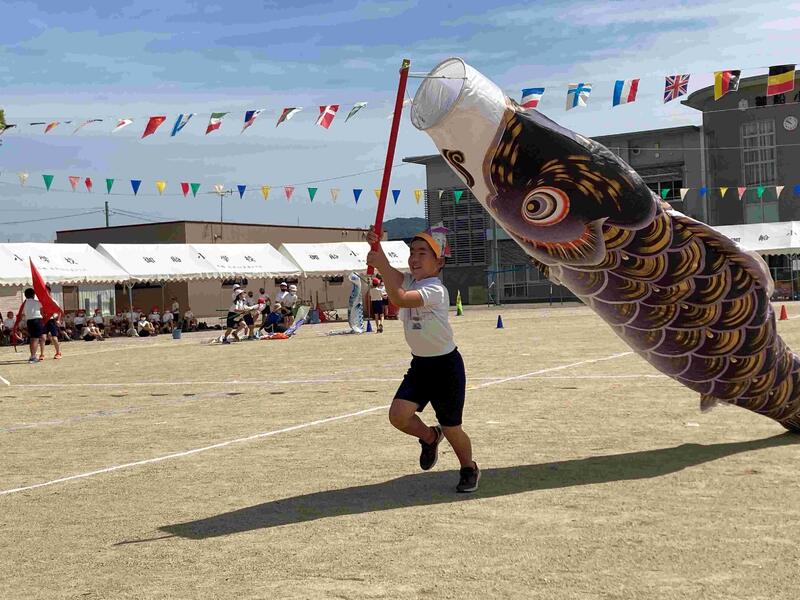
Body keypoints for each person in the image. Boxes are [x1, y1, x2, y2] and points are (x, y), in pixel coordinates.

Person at [366, 225, 479, 493]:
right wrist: (376, 245)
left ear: (439, 262)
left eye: (422, 253)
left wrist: (380, 264)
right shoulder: (411, 281)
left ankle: (469, 467)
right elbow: (392, 275)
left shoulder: (435, 290)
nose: (414, 258)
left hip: (446, 367)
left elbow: (400, 298)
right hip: (421, 365)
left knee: (452, 428)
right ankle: (430, 437)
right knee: (398, 416)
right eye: (412, 252)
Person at [22, 288, 46, 363]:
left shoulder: (24, 304)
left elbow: (23, 313)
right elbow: (42, 312)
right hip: (37, 320)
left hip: (29, 321)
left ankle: (32, 355)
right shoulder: (37, 302)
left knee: (32, 338)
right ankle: (33, 357)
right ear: (33, 294)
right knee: (35, 339)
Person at [40, 285, 63, 360]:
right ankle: (42, 354)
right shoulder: (42, 301)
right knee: (43, 337)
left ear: (49, 292)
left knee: (54, 337)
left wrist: (58, 320)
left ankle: (58, 353)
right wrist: (42, 315)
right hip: (44, 320)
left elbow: (59, 311)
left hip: (52, 320)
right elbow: (41, 310)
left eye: (46, 291)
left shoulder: (53, 301)